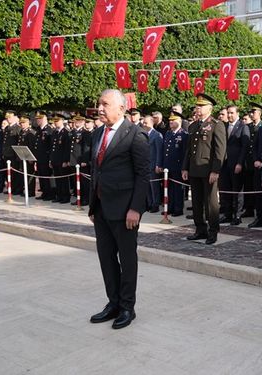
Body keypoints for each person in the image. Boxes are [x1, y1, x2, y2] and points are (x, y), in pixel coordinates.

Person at [88, 89, 150, 330]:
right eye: (99, 103)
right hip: (102, 208)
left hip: (125, 212)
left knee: (126, 259)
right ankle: (112, 302)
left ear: (121, 108)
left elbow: (143, 175)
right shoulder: (97, 134)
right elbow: (96, 171)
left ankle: (127, 307)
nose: (99, 108)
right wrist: (93, 205)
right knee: (106, 258)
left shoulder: (135, 135)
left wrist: (135, 209)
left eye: (105, 104)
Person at [182, 94, 227, 245]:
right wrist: (185, 167)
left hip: (208, 170)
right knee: (196, 202)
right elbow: (189, 150)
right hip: (194, 169)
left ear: (209, 108)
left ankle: (213, 231)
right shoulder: (193, 125)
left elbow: (220, 150)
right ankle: (200, 229)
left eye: (201, 106)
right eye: (197, 106)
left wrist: (216, 170)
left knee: (210, 203)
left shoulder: (216, 124)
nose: (198, 109)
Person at [219, 105, 249, 225]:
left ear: (237, 113)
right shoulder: (224, 126)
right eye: (228, 113)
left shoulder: (243, 127)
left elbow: (244, 147)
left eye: (232, 113)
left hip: (236, 163)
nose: (230, 115)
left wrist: (240, 163)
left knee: (237, 190)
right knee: (225, 189)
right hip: (224, 164)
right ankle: (227, 214)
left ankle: (237, 215)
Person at [158, 111, 189, 216]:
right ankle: (170, 207)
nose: (170, 122)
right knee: (169, 188)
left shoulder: (183, 135)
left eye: (173, 120)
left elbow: (185, 153)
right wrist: (162, 164)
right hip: (168, 166)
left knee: (177, 189)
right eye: (170, 120)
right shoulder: (168, 133)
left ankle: (178, 209)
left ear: (179, 121)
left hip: (178, 166)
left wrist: (184, 167)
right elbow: (164, 150)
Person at [143, 115, 163, 213]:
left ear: (151, 123)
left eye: (145, 123)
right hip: (145, 165)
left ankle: (156, 204)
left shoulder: (157, 135)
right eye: (143, 123)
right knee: (147, 186)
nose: (144, 124)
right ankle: (149, 203)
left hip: (153, 164)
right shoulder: (144, 134)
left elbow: (159, 151)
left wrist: (158, 164)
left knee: (154, 186)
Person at [49, 116, 71, 203]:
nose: (56, 123)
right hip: (55, 160)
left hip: (62, 160)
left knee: (64, 180)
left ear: (62, 121)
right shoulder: (55, 132)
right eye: (55, 121)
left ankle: (65, 197)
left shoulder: (66, 132)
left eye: (57, 121)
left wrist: (65, 161)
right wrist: (51, 160)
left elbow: (67, 148)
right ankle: (59, 195)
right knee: (57, 179)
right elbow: (52, 148)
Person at [34, 112, 54, 200]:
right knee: (41, 176)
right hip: (39, 157)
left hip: (45, 158)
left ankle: (49, 194)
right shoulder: (38, 129)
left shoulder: (49, 130)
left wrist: (50, 159)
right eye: (37, 118)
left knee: (46, 177)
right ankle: (44, 193)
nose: (38, 120)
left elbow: (51, 145)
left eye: (40, 118)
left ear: (45, 118)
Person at [16, 116, 37, 196]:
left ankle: (31, 192)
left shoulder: (30, 132)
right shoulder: (22, 132)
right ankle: (26, 190)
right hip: (23, 156)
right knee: (24, 174)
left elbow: (31, 146)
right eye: (21, 123)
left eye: (23, 123)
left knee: (30, 174)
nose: (22, 124)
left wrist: (31, 158)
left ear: (28, 123)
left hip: (29, 157)